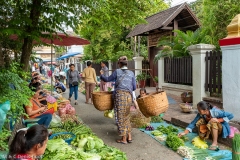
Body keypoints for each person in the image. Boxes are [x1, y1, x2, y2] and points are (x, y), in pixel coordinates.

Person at [100, 56, 136, 144]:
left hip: (120, 97)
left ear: (119, 64)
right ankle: (129, 137)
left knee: (120, 117)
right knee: (126, 116)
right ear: (126, 64)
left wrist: (101, 74)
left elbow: (107, 79)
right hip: (129, 96)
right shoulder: (131, 73)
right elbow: (134, 87)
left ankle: (124, 139)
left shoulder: (117, 71)